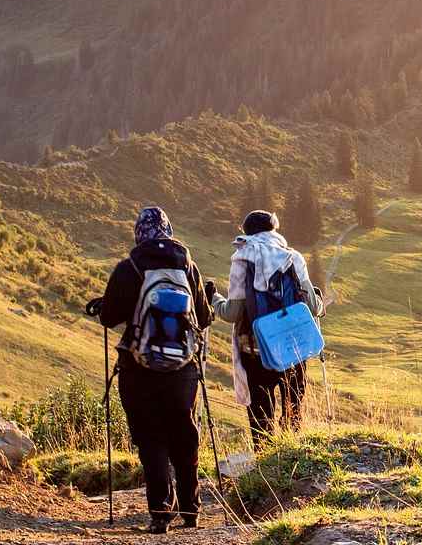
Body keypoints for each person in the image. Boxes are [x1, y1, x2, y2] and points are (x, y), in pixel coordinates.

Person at [98, 207, 212, 534]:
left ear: (139, 233)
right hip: (183, 369)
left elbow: (108, 317)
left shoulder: (129, 267)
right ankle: (192, 510)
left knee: (150, 436)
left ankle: (161, 511)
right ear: (168, 230)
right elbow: (203, 319)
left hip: (139, 367)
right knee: (184, 434)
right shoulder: (188, 266)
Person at [212, 210, 328, 447]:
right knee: (293, 417)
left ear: (247, 233)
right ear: (274, 230)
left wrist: (213, 299)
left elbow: (232, 313)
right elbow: (314, 308)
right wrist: (314, 295)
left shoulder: (242, 259)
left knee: (261, 422)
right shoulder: (293, 257)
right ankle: (293, 470)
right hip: (293, 349)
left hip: (256, 351)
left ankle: (265, 473)